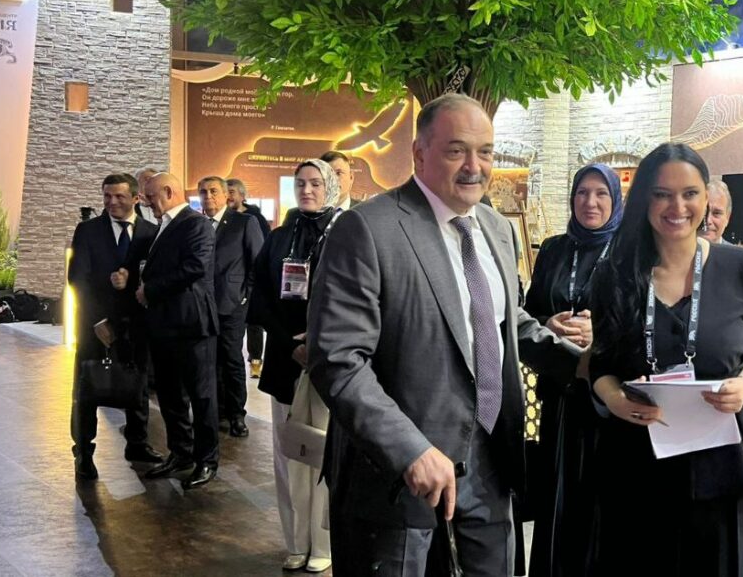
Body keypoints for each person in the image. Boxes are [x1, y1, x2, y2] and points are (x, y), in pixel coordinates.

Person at [306, 93, 584, 576]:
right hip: (397, 472)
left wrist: (580, 364)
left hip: (490, 458)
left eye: (486, 152)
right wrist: (408, 449)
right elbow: (338, 359)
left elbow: (503, 320)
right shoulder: (367, 229)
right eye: (457, 150)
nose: (475, 166)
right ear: (419, 154)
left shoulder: (497, 228)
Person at [588, 143, 743, 577]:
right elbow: (600, 364)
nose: (677, 207)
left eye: (690, 194)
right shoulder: (614, 273)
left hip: (724, 463)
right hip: (637, 461)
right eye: (662, 194)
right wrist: (615, 399)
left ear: (705, 197)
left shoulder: (740, 266)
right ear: (644, 200)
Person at [522, 163, 622, 577]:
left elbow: (642, 320)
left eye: (601, 193)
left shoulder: (630, 252)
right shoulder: (553, 249)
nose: (590, 202)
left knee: (600, 504)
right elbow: (526, 312)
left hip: (607, 401)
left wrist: (601, 331)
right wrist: (548, 323)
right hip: (559, 395)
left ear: (615, 200)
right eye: (582, 192)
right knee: (557, 498)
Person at [249, 160, 340, 573]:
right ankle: (295, 541)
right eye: (300, 183)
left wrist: (317, 341)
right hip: (286, 362)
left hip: (328, 361)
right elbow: (260, 297)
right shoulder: (279, 237)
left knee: (322, 454)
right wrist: (290, 344)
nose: (307, 190)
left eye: (316, 183)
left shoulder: (343, 234)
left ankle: (323, 543)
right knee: (289, 455)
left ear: (330, 186)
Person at [69, 173, 163, 480]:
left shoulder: (151, 232)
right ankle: (84, 452)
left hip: (135, 327)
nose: (112, 202)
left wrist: (132, 281)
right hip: (95, 326)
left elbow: (154, 277)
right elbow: (77, 280)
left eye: (119, 196)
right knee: (87, 390)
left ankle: (137, 444)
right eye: (107, 196)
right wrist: (97, 321)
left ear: (136, 198)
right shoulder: (88, 231)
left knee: (137, 387)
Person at [135, 172, 221, 490]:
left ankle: (207, 460)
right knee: (170, 395)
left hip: (192, 325)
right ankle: (181, 453)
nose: (147, 203)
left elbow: (194, 267)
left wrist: (150, 290)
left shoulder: (196, 224)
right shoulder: (163, 225)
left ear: (169, 192)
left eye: (150, 196)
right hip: (164, 325)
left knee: (202, 396)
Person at [200, 175, 264, 438]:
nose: (208, 196)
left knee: (231, 359)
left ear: (226, 194)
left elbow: (258, 262)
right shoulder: (196, 224)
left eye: (213, 191)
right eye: (203, 192)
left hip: (232, 303)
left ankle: (237, 414)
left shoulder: (244, 222)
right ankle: (216, 411)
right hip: (202, 305)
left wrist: (246, 295)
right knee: (209, 360)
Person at [226, 177, 270, 379]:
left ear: (242, 196)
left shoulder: (255, 219)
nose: (228, 196)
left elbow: (260, 252)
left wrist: (253, 285)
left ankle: (255, 362)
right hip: (230, 289)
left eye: (232, 192)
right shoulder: (223, 219)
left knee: (255, 325)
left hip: (251, 284)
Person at [701, 179, 732, 244]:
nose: (708, 220)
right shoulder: (678, 250)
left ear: (727, 218)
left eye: (716, 213)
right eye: (704, 212)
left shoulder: (735, 251)